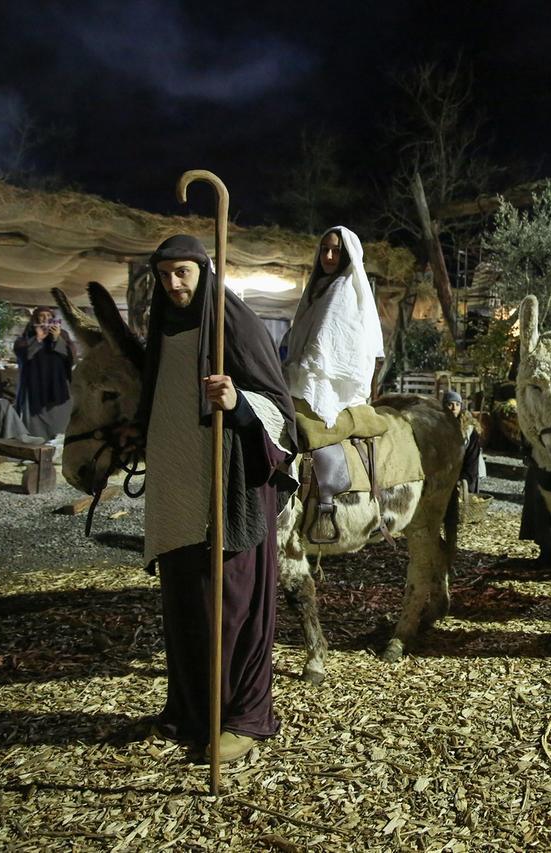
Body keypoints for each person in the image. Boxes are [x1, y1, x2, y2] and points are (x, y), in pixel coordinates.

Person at [134, 234, 297, 763]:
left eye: (182, 272)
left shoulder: (235, 321)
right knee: (185, 601)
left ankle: (244, 717)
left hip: (233, 486)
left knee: (232, 603)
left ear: (204, 270)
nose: (173, 284)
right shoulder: (161, 326)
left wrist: (238, 401)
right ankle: (191, 710)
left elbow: (279, 407)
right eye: (164, 275)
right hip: (179, 486)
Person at [281, 226, 383, 434]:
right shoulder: (318, 287)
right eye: (324, 249)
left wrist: (304, 368)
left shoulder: (344, 288)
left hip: (329, 385)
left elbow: (326, 336)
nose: (328, 256)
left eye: (336, 251)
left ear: (346, 255)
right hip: (301, 375)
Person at [13, 306, 75, 440]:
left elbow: (70, 357)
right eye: (42, 315)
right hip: (34, 385)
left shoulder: (62, 334)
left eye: (48, 315)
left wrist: (56, 339)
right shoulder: (27, 334)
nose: (46, 318)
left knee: (59, 423)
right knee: (34, 425)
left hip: (57, 385)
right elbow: (22, 356)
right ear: (36, 318)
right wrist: (38, 339)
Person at [443, 390, 484, 495]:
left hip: (467, 472)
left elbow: (473, 457)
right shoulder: (438, 427)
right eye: (450, 404)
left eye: (457, 404)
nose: (454, 408)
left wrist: (466, 481)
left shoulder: (469, 430)